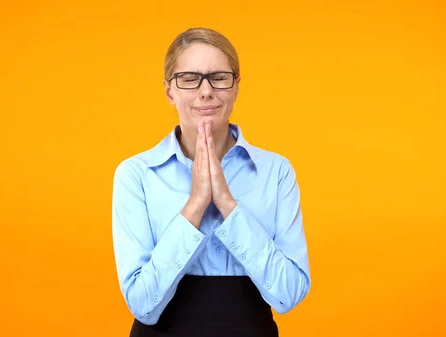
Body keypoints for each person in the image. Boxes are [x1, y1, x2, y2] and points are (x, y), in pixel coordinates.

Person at [111, 27, 311, 337]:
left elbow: (289, 294)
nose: (206, 91)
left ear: (236, 88)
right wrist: (195, 204)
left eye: (218, 77)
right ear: (169, 91)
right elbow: (142, 304)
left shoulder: (276, 171)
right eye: (189, 79)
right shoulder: (135, 174)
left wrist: (229, 205)